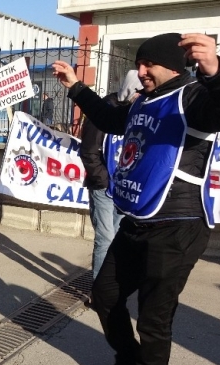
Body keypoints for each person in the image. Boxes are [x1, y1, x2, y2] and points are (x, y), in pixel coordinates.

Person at [52, 33, 220, 365]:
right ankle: (127, 364)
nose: (141, 71)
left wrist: (216, 72)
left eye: (149, 64)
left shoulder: (194, 96)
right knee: (106, 295)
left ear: (174, 66)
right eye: (139, 63)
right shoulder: (141, 101)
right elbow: (110, 120)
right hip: (137, 220)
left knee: (154, 314)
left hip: (178, 224)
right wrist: (77, 87)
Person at [79, 70, 141, 279]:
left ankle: (110, 286)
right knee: (105, 238)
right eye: (140, 93)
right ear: (131, 90)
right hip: (104, 186)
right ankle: (98, 290)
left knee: (117, 239)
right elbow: (88, 150)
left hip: (124, 188)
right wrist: (103, 180)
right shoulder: (104, 110)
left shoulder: (137, 111)